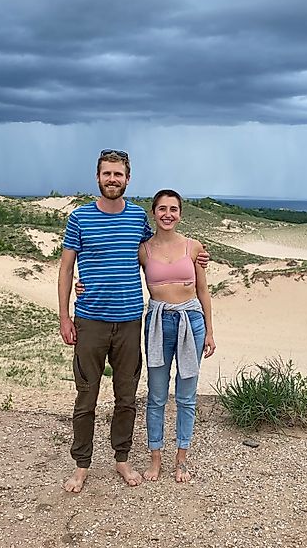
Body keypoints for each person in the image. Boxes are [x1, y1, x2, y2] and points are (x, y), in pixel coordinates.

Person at [58, 150, 208, 493]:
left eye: (119, 174)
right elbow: (66, 268)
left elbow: (159, 254)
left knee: (126, 397)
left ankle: (121, 459)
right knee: (86, 397)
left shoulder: (138, 219)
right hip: (90, 321)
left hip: (130, 323)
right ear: (98, 177)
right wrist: (65, 316)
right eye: (107, 174)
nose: (113, 179)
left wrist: (197, 257)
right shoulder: (79, 219)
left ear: (128, 179)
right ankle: (81, 466)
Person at [140, 189, 216, 483]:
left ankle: (181, 458)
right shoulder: (143, 249)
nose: (168, 214)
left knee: (186, 396)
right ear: (154, 212)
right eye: (162, 209)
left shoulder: (194, 247)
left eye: (173, 209)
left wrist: (209, 330)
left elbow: (203, 290)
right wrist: (84, 288)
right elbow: (119, 272)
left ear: (180, 214)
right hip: (158, 323)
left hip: (191, 321)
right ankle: (155, 457)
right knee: (156, 395)